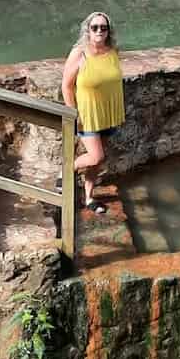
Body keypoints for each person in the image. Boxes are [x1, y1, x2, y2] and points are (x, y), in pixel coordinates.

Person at [61, 11, 125, 212]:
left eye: (103, 28)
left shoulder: (113, 51)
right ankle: (64, 171)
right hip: (87, 114)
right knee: (96, 156)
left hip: (108, 112)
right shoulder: (79, 53)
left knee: (99, 160)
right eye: (95, 27)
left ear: (108, 31)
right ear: (87, 30)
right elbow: (66, 85)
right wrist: (73, 113)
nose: (99, 31)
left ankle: (89, 198)